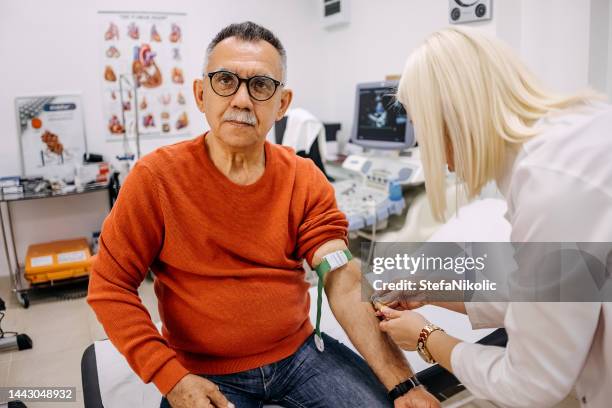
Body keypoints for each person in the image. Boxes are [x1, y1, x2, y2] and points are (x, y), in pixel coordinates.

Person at [87, 22, 440, 408]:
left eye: (260, 86)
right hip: (203, 368)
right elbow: (110, 286)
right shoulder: (155, 180)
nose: (241, 100)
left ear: (282, 104)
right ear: (200, 94)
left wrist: (405, 386)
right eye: (225, 80)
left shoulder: (303, 178)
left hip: (301, 356)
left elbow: (340, 276)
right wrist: (171, 378)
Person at [374, 26, 612, 408]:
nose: (441, 160)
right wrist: (432, 290)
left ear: (453, 118)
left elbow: (530, 384)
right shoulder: (571, 140)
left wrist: (427, 338)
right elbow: (550, 293)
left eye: (426, 134)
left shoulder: (552, 186)